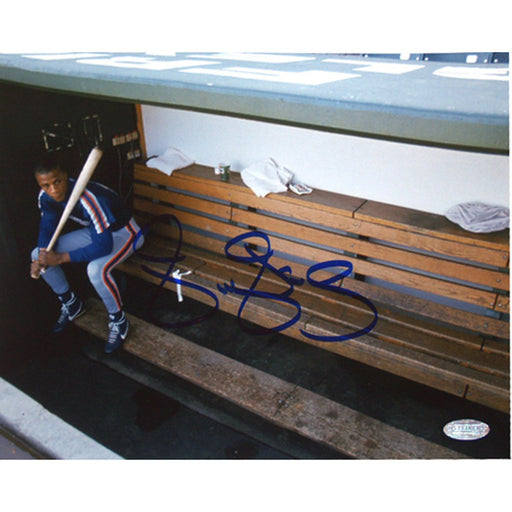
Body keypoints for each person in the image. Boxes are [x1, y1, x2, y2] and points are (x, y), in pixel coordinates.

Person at [30, 154, 144, 353]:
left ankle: (119, 321)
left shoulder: (89, 198)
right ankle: (71, 303)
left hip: (126, 233)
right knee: (37, 254)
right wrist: (43, 256)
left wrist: (61, 258)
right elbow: (47, 227)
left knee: (96, 270)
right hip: (97, 232)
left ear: (66, 175)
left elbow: (104, 247)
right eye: (46, 185)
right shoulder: (45, 197)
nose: (53, 189)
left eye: (57, 181)